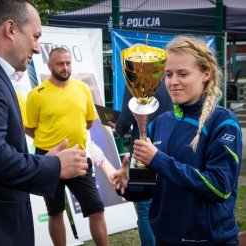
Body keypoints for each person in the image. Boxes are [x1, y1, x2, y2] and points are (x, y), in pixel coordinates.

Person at [0, 1, 88, 246]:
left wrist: (45, 162)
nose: (36, 48)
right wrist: (54, 166)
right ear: (10, 29)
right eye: (35, 36)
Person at [111, 36, 243, 245]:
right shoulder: (159, 123)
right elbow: (147, 188)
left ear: (205, 75)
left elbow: (220, 186)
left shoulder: (223, 122)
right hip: (164, 239)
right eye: (168, 75)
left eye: (183, 74)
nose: (173, 82)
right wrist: (127, 185)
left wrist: (158, 159)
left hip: (209, 240)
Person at [25, 47, 109, 246]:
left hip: (79, 157)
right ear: (50, 66)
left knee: (96, 208)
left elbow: (88, 121)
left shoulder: (82, 89)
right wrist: (49, 143)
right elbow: (29, 128)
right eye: (60, 63)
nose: (65, 67)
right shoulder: (37, 94)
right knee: (55, 212)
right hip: (48, 159)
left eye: (68, 63)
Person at [108, 81, 172, 246]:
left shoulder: (135, 81)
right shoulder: (170, 79)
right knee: (167, 201)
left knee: (144, 208)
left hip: (143, 148)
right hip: (169, 145)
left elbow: (125, 119)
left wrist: (118, 126)